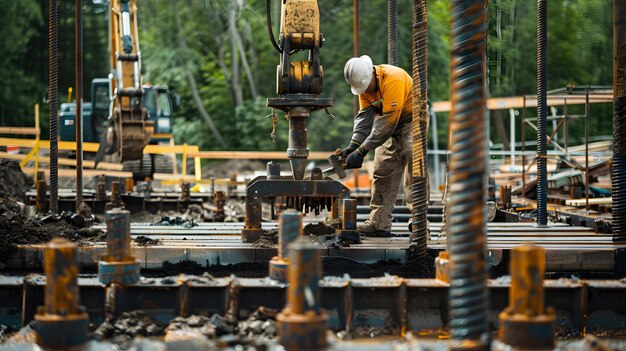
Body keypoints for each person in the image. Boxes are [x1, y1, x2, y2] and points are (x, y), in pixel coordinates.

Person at [340, 55, 413, 236]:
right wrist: (353, 146)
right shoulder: (365, 88)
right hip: (388, 124)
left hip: (413, 119)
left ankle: (419, 221)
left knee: (414, 161)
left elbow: (387, 124)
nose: (364, 91)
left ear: (372, 74)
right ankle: (378, 223)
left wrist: (363, 150)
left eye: (364, 87)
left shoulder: (393, 79)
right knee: (382, 168)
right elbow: (364, 118)